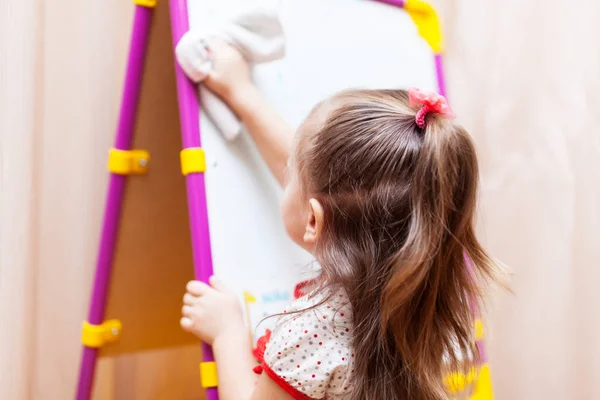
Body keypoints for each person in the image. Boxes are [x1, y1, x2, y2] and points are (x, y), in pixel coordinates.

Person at [180, 41, 501, 400]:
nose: (287, 177)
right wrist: (241, 94)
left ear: (315, 221)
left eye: (290, 175)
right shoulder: (431, 299)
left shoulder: (311, 333)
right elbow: (338, 188)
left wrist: (228, 334)